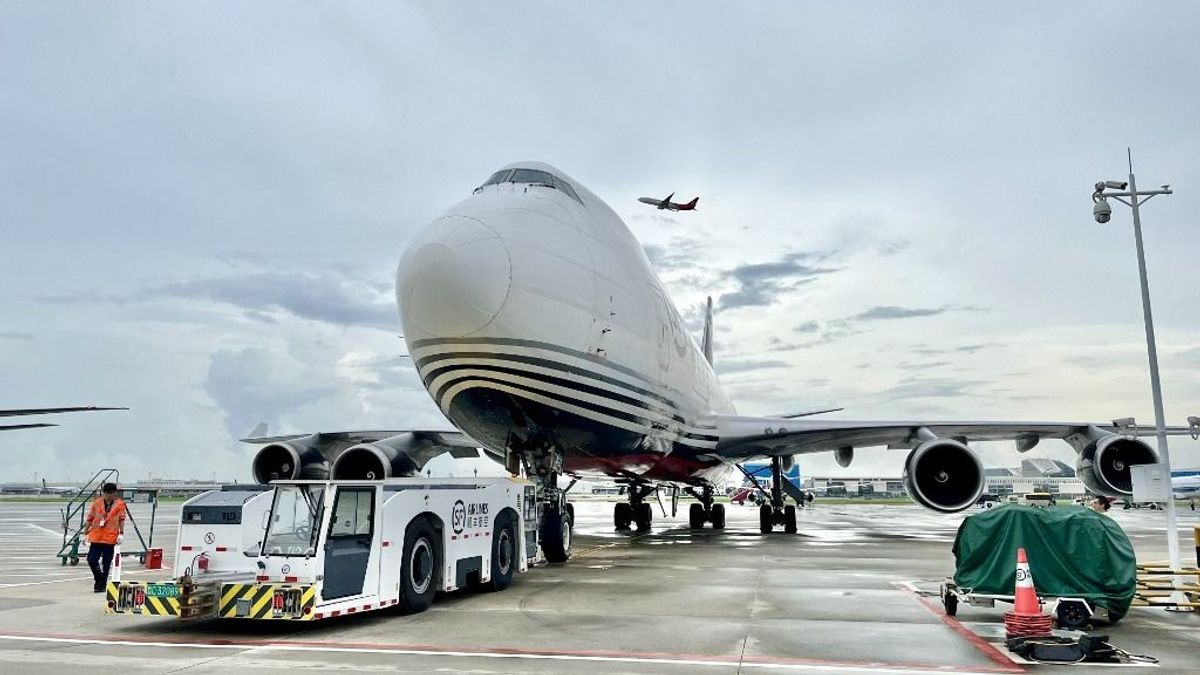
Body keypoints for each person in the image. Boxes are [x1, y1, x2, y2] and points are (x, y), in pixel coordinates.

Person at [83, 483, 127, 592]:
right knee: (92, 560)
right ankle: (99, 578)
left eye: (112, 493)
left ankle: (101, 585)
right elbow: (90, 518)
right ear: (104, 493)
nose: (110, 496)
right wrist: (85, 533)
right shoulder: (97, 503)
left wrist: (121, 533)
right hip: (96, 537)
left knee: (106, 563)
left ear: (115, 493)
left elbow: (122, 519)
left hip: (110, 538)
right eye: (108, 493)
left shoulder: (120, 504)